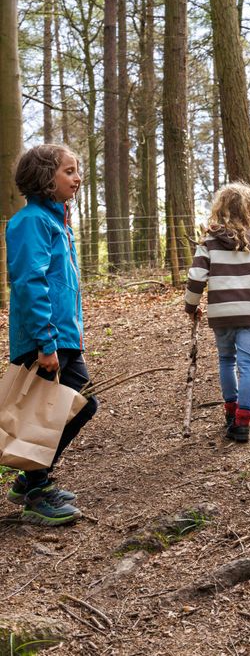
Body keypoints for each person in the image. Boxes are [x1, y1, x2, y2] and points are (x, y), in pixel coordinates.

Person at [5, 145, 96, 526]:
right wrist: (45, 342)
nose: (77, 179)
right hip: (44, 339)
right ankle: (36, 491)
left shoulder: (57, 222)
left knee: (81, 403)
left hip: (62, 336)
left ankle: (30, 479)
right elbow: (29, 282)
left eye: (77, 171)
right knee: (44, 415)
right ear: (46, 177)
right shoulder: (31, 223)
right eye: (69, 172)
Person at [185, 183, 250, 443]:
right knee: (248, 365)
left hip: (221, 314)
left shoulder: (209, 242)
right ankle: (242, 423)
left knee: (227, 360)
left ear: (220, 209)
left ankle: (230, 413)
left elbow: (195, 279)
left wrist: (191, 306)